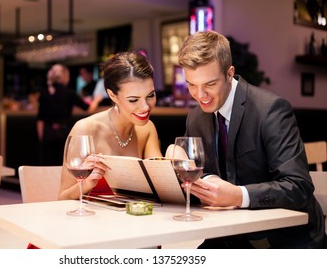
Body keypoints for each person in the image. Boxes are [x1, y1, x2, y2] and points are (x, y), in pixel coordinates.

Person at [176, 30, 326, 248]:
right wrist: (182, 165)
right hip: (230, 236)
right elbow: (199, 173)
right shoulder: (196, 117)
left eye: (209, 84)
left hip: (284, 239)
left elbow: (298, 187)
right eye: (191, 84)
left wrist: (238, 196)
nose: (200, 95)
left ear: (229, 74)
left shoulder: (271, 110)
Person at [59, 51, 162, 200]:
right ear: (112, 95)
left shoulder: (147, 128)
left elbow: (160, 187)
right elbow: (62, 198)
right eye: (133, 100)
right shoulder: (85, 129)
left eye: (151, 95)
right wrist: (88, 183)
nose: (145, 107)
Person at [37, 64, 97, 166]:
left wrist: (42, 138)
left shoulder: (43, 94)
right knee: (63, 164)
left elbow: (40, 119)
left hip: (48, 133)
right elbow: (88, 108)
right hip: (64, 133)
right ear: (64, 77)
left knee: (48, 165)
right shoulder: (69, 93)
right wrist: (97, 100)